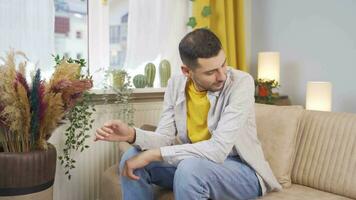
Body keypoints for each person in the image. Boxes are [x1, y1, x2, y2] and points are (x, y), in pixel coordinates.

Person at [95, 28, 282, 200]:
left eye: (223, 64)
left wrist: (154, 154)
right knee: (131, 158)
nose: (222, 76)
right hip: (195, 162)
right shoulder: (176, 85)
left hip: (241, 170)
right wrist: (132, 135)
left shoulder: (241, 83)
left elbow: (218, 150)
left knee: (189, 169)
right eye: (210, 72)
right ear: (187, 71)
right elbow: (165, 137)